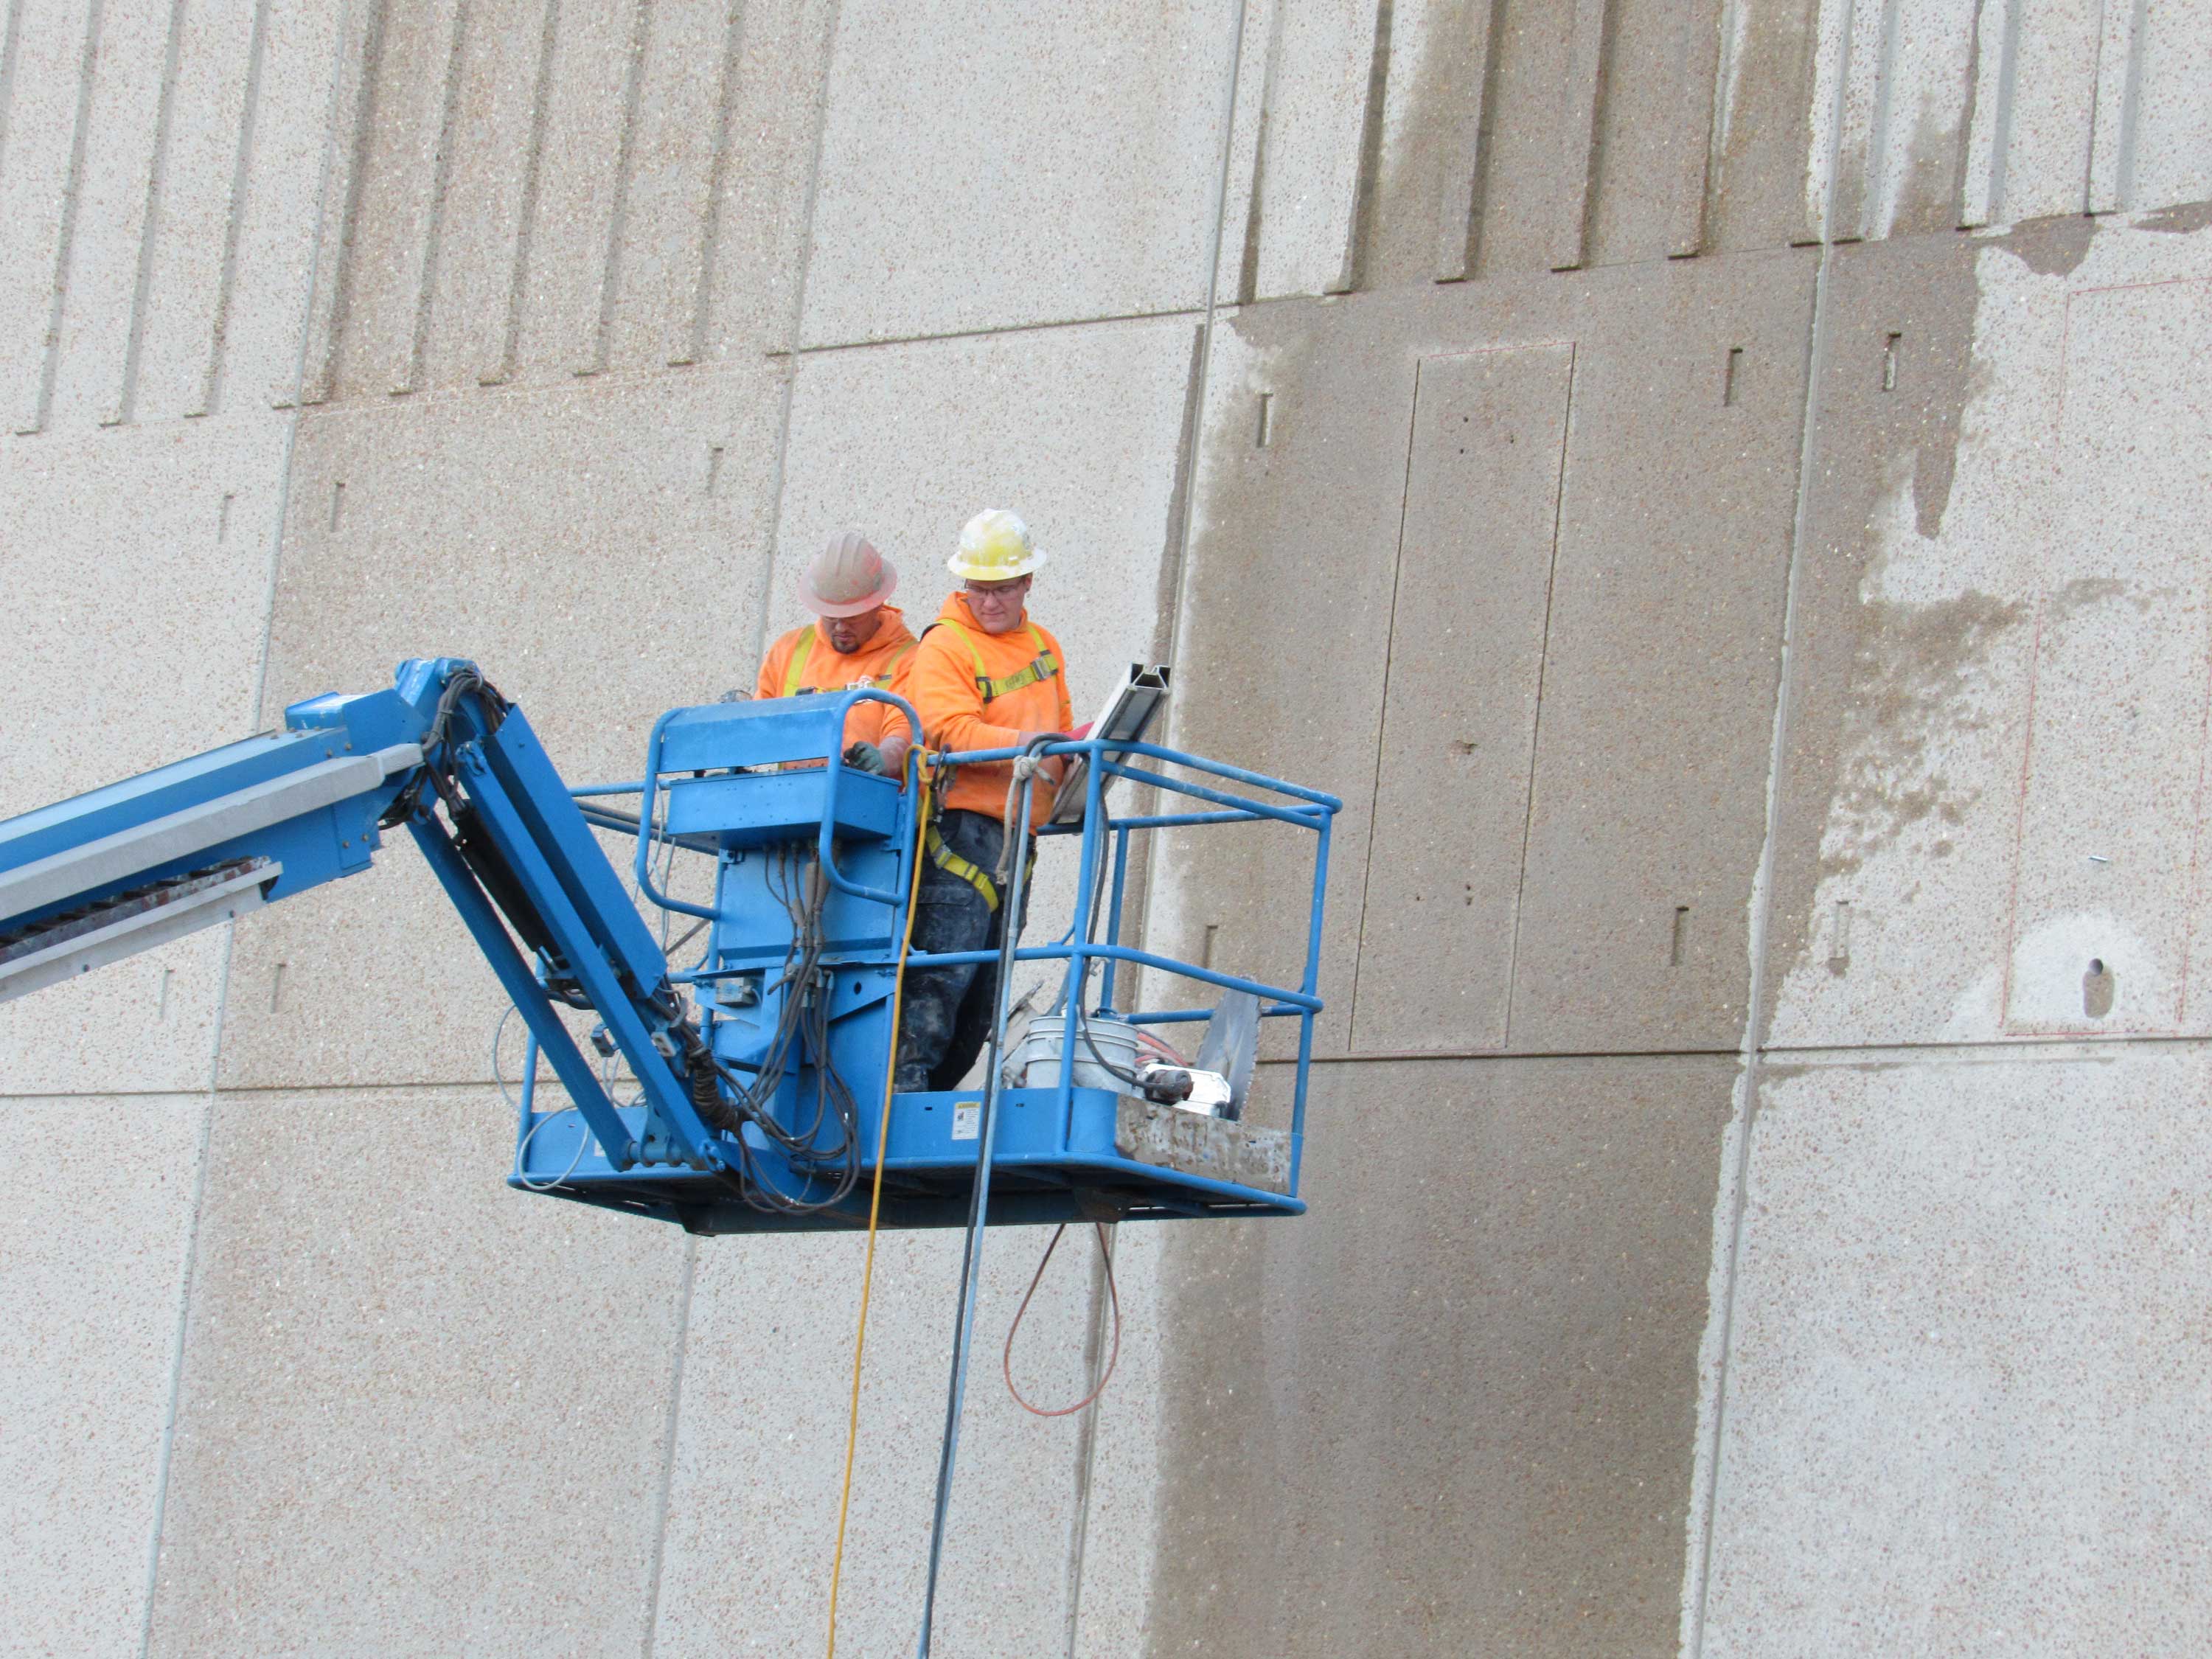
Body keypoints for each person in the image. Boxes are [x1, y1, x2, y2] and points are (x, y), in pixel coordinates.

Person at [894, 508, 1074, 1091]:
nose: (989, 602)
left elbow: (1062, 729)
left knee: (984, 994)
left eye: (1001, 590)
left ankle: (934, 1097)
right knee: (943, 976)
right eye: (978, 590)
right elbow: (947, 730)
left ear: (1027, 584)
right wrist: (1033, 747)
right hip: (961, 834)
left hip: (1018, 839)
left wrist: (1076, 753)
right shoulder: (946, 644)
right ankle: (907, 1093)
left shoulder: (1043, 645)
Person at [756, 531, 917, 774]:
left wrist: (885, 757)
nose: (841, 628)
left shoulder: (907, 658)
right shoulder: (789, 650)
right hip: (790, 800)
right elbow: (758, 727)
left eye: (853, 618)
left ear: (878, 605)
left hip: (870, 801)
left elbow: (904, 727)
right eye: (832, 617)